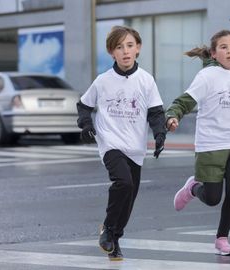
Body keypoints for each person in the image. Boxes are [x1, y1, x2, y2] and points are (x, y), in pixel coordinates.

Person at [166, 30, 230, 256]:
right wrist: (173, 116)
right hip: (211, 145)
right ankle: (193, 188)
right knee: (213, 198)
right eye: (223, 47)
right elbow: (184, 101)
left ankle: (222, 239)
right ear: (214, 53)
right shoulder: (207, 76)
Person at [76, 25, 166, 261]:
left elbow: (156, 112)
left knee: (130, 197)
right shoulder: (103, 81)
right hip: (110, 142)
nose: (125, 51)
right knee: (123, 183)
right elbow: (84, 106)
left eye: (129, 45)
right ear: (111, 52)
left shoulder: (146, 80)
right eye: (119, 47)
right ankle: (108, 229)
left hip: (135, 147)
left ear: (138, 48)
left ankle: (114, 238)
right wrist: (86, 125)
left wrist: (159, 135)